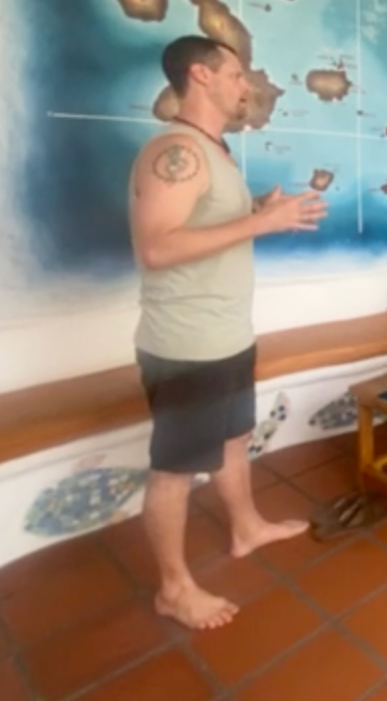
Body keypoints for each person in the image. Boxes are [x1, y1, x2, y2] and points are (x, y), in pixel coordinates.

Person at [129, 36, 329, 630]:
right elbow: (157, 247)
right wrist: (262, 221)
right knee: (174, 470)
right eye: (237, 74)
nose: (248, 84)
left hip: (227, 337)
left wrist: (258, 211)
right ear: (202, 75)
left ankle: (245, 527)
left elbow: (213, 227)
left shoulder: (212, 151)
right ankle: (173, 588)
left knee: (235, 439)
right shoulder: (177, 152)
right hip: (186, 347)